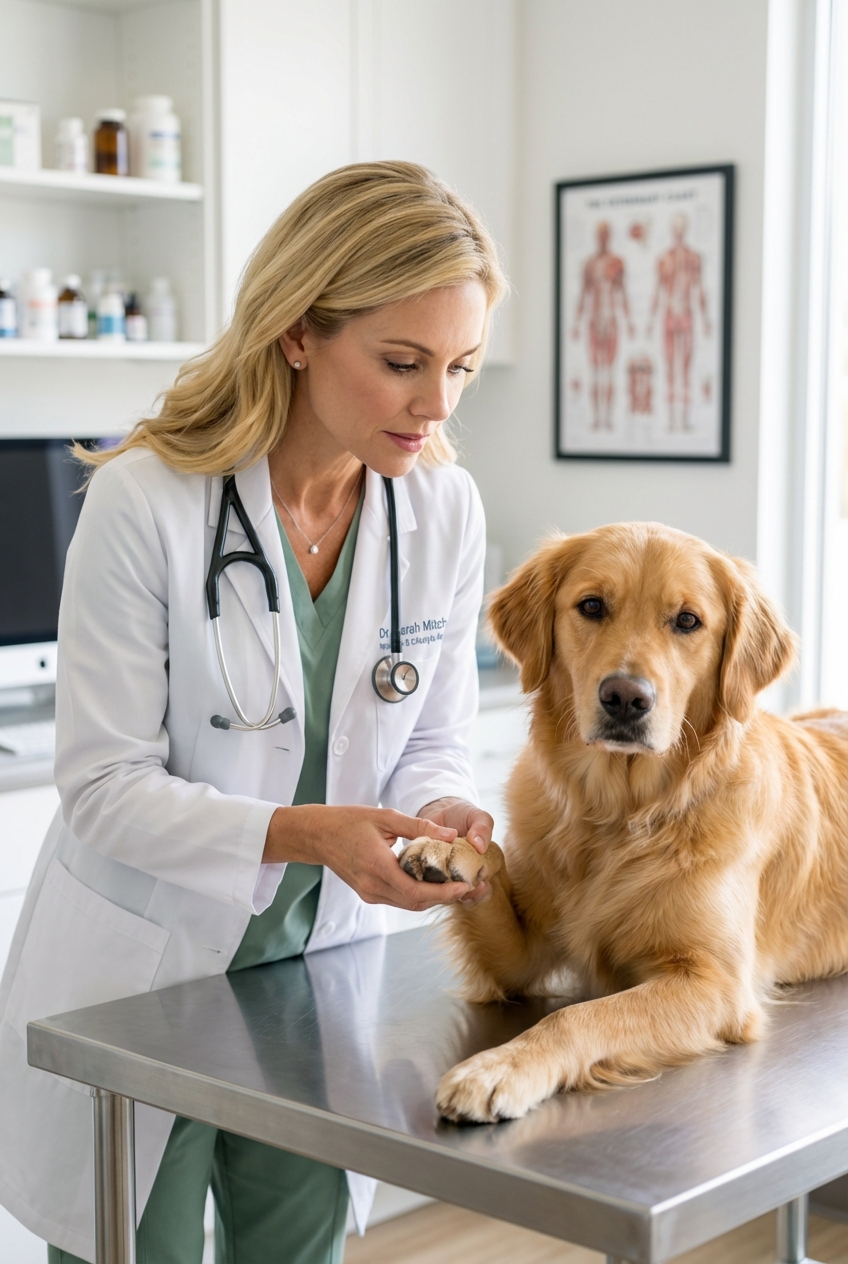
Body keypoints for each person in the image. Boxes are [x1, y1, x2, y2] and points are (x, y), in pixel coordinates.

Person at [0, 161, 507, 1264]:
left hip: (312, 987)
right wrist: (309, 834)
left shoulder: (441, 507)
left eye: (459, 366)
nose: (438, 405)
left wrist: (442, 813)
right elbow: (101, 788)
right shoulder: (147, 502)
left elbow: (427, 735)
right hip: (147, 982)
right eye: (402, 363)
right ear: (294, 332)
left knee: (298, 1248)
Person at [647, 212, 711, 432]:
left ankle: (683, 419)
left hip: (686, 315)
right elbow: (657, 291)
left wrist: (705, 320)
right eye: (675, 227)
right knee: (670, 368)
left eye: (681, 227)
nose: (678, 231)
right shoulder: (664, 259)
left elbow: (699, 289)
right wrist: (650, 319)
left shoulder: (694, 258)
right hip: (669, 316)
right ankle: (671, 419)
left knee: (684, 369)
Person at [571, 220, 634, 431]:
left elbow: (622, 292)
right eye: (601, 234)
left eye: (606, 234)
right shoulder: (589, 264)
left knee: (610, 372)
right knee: (596, 373)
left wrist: (630, 321)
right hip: (594, 321)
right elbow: (583, 295)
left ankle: (608, 418)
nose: (603, 237)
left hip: (611, 321)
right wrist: (577, 324)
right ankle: (597, 418)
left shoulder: (617, 263)